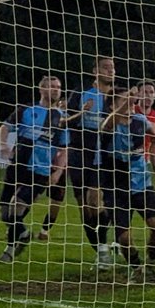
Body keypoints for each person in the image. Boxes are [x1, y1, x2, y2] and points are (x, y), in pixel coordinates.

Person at [0, 76, 68, 263]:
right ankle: (22, 233)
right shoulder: (26, 110)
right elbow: (4, 127)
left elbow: (64, 149)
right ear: (41, 90)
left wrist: (58, 172)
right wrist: (3, 145)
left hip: (40, 170)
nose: (55, 90)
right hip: (18, 165)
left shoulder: (61, 118)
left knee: (17, 206)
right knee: (6, 213)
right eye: (51, 87)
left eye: (58, 87)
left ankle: (10, 249)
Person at [50, 57, 114, 264]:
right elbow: (64, 122)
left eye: (113, 67)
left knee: (96, 201)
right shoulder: (80, 93)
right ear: (95, 71)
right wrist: (82, 111)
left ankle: (106, 246)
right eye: (106, 67)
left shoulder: (115, 97)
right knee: (84, 208)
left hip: (102, 155)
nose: (111, 71)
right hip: (79, 154)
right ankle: (100, 250)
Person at [104, 85, 155, 282]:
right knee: (124, 237)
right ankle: (135, 265)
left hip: (141, 182)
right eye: (125, 100)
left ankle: (154, 260)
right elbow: (106, 125)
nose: (131, 103)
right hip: (116, 186)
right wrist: (123, 104)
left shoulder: (141, 121)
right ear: (113, 106)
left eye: (131, 100)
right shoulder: (109, 125)